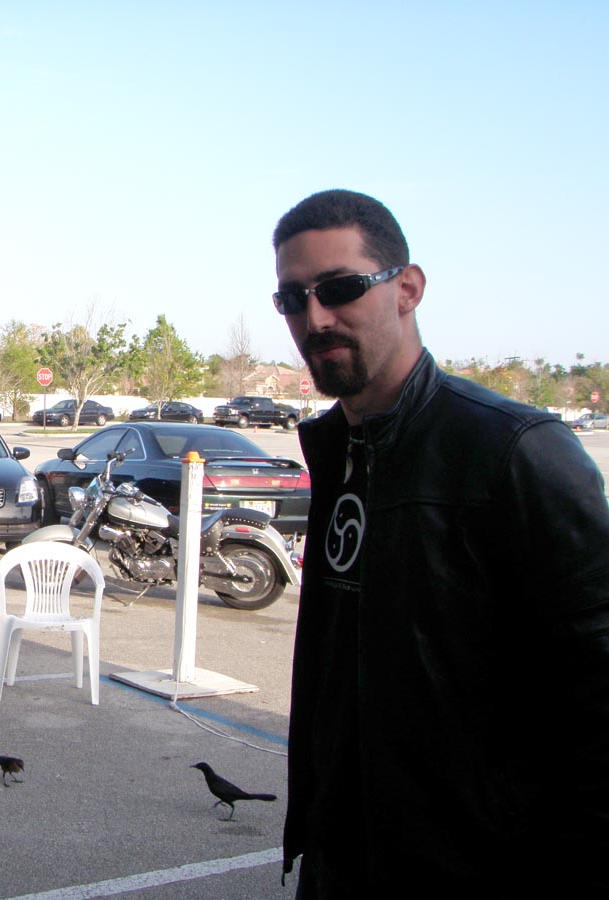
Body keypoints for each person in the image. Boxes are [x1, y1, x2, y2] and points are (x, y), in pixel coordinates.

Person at [271, 189, 609, 897]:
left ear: (407, 289)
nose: (315, 318)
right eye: (292, 299)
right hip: (340, 857)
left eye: (339, 288)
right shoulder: (339, 449)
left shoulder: (513, 450)